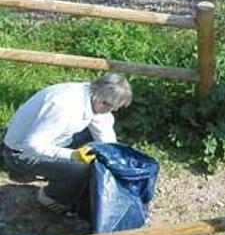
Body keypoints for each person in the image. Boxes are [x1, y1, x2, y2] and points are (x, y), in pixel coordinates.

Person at [2, 74, 132, 214]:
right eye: (114, 107)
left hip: (52, 140)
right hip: (20, 153)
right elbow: (32, 145)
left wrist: (114, 159)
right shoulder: (64, 108)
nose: (115, 110)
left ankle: (56, 174)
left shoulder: (91, 95)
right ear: (102, 101)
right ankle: (51, 196)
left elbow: (104, 134)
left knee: (95, 146)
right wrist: (73, 155)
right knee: (80, 170)